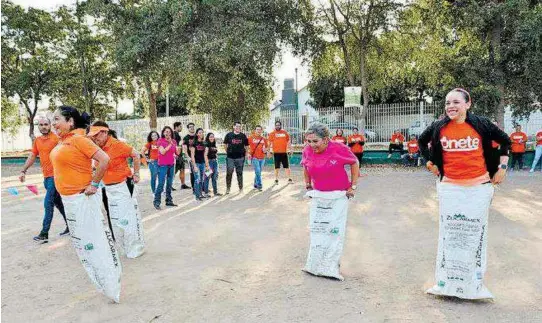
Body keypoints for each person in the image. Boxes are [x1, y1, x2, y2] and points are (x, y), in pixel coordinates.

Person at [419, 88, 511, 300]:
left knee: (473, 234)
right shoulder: (439, 126)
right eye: (447, 103)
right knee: (449, 234)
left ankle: (474, 286)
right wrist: (429, 162)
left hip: (479, 187)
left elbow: (506, 140)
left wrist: (502, 168)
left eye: (456, 102)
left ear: (468, 104)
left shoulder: (481, 124)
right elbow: (421, 142)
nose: (451, 106)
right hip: (449, 187)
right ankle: (444, 283)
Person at [50, 106, 121, 302]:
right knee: (86, 245)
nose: (53, 123)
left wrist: (94, 184)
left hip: (82, 200)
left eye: (57, 119)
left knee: (96, 243)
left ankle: (112, 286)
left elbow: (104, 159)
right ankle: (103, 283)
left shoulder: (79, 139)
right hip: (70, 201)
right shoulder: (65, 141)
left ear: (70, 121)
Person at [301, 122, 360, 280]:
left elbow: (355, 163)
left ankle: (330, 267)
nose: (311, 145)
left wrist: (352, 186)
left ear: (326, 140)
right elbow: (306, 167)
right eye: (309, 141)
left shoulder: (339, 148)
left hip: (338, 196)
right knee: (317, 229)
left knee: (334, 231)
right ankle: (313, 265)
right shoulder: (307, 150)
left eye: (315, 141)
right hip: (319, 195)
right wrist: (308, 185)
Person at [87, 121, 145, 258]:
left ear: (105, 132)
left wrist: (136, 173)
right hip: (108, 188)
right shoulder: (97, 148)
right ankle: (123, 248)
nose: (94, 139)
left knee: (128, 218)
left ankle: (135, 248)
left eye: (96, 135)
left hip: (123, 186)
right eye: (93, 136)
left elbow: (136, 155)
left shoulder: (117, 145)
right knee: (116, 220)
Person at [19, 116, 69, 242]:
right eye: (41, 125)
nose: (43, 127)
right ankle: (70, 225)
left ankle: (44, 233)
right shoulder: (37, 141)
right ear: (38, 126)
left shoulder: (57, 139)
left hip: (56, 176)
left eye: (46, 124)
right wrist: (23, 170)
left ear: (50, 125)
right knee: (58, 203)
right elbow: (32, 156)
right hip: (46, 177)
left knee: (48, 203)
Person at [153, 126, 178, 210]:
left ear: (171, 133)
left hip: (171, 164)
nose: (167, 133)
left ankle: (169, 201)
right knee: (161, 183)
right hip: (163, 165)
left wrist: (176, 150)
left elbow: (175, 152)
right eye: (166, 132)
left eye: (169, 132)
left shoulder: (174, 141)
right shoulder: (160, 141)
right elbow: (162, 152)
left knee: (169, 184)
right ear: (163, 133)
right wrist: (170, 144)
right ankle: (156, 202)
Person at [224, 121, 249, 194]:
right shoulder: (228, 135)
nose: (238, 128)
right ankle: (228, 188)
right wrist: (228, 152)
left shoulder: (243, 136)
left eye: (239, 126)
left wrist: (246, 154)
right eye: (237, 126)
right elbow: (225, 145)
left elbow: (247, 146)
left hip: (240, 158)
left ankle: (241, 188)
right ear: (233, 127)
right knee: (229, 172)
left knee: (239, 173)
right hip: (230, 158)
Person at [248, 125, 268, 191]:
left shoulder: (264, 139)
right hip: (254, 157)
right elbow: (246, 146)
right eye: (257, 129)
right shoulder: (251, 138)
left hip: (262, 158)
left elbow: (266, 148)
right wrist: (248, 153)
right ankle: (259, 185)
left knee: (258, 172)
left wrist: (265, 150)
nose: (258, 131)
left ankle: (255, 185)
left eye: (260, 129)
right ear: (255, 130)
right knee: (258, 171)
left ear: (261, 130)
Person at [190, 128, 208, 201]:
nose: (201, 134)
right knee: (197, 179)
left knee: (201, 179)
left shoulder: (204, 143)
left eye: (202, 132)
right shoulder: (194, 143)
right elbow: (192, 155)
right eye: (199, 132)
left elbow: (205, 155)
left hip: (202, 163)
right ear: (197, 134)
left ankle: (200, 194)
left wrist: (206, 164)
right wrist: (194, 166)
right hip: (196, 163)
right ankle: (197, 196)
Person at [173, 122, 190, 190]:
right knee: (174, 171)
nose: (181, 128)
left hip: (180, 155)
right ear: (176, 127)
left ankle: (183, 184)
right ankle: (169, 185)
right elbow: (175, 145)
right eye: (180, 126)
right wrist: (176, 154)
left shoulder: (177, 134)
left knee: (182, 169)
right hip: (176, 155)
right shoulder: (174, 134)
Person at [182, 123, 197, 192]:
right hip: (191, 158)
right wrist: (188, 157)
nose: (192, 128)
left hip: (199, 157)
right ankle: (194, 188)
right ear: (188, 128)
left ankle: (202, 187)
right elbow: (184, 149)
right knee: (193, 173)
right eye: (190, 127)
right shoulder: (186, 138)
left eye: (193, 127)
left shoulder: (198, 136)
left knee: (201, 172)